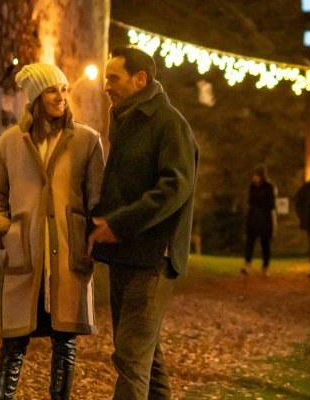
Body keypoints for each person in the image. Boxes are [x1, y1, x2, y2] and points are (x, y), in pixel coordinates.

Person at [0, 62, 104, 400]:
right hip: (27, 255)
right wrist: (4, 230)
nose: (61, 97)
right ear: (36, 97)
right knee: (13, 342)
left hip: (67, 257)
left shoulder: (87, 141)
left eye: (64, 89)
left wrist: (91, 241)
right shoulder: (9, 143)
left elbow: (98, 201)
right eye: (52, 90)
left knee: (65, 343)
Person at [89, 45, 198, 400]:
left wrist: (119, 223)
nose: (107, 85)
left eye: (113, 78)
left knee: (132, 357)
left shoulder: (169, 125)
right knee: (145, 358)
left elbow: (174, 188)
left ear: (140, 79)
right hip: (126, 254)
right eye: (106, 78)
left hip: (152, 257)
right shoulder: (125, 120)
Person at [244, 169, 277, 276]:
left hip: (265, 220)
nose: (254, 178)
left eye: (256, 175)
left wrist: (259, 203)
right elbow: (250, 200)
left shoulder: (269, 187)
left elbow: (271, 204)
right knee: (250, 243)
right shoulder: (252, 187)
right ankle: (247, 265)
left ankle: (265, 267)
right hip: (253, 219)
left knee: (265, 245)